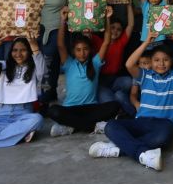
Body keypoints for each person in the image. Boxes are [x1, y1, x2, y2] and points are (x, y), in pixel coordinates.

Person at [89, 28, 173, 171]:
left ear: (171, 62)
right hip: (142, 122)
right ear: (151, 62)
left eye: (166, 60)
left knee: (163, 137)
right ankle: (142, 154)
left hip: (164, 125)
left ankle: (118, 149)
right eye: (157, 60)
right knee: (111, 126)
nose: (161, 63)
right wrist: (146, 42)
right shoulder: (144, 75)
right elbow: (129, 64)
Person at [46, 7, 120, 136]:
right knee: (53, 110)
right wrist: (63, 21)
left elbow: (106, 42)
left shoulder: (95, 63)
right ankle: (92, 126)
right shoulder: (69, 63)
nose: (82, 53)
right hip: (70, 108)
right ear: (73, 51)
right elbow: (60, 45)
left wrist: (107, 18)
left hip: (91, 108)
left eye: (85, 49)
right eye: (78, 50)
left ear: (90, 50)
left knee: (114, 106)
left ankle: (71, 127)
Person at [22, 0, 69, 104]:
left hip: (55, 30)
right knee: (35, 61)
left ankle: (47, 95)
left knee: (49, 62)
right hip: (34, 31)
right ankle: (40, 95)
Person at [92, 4, 135, 115]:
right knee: (111, 103)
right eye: (112, 28)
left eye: (118, 29)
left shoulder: (120, 43)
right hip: (100, 81)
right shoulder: (97, 41)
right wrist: (107, 16)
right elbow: (87, 28)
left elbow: (130, 25)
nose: (115, 31)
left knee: (129, 81)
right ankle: (118, 106)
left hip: (115, 80)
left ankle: (122, 104)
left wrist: (128, 5)